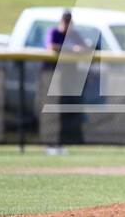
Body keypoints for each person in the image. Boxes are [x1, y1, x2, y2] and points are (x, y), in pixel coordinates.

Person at [44, 10, 87, 155]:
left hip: (68, 78)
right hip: (52, 76)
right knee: (51, 110)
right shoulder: (54, 32)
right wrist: (71, 49)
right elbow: (52, 46)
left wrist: (77, 49)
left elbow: (85, 48)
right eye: (65, 21)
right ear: (61, 21)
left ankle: (60, 143)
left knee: (64, 110)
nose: (67, 23)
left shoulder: (73, 34)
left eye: (69, 21)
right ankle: (49, 144)